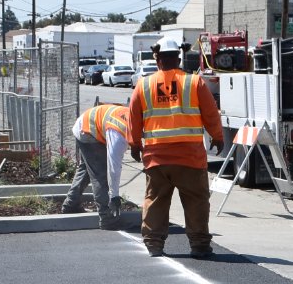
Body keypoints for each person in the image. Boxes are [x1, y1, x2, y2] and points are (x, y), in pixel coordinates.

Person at [127, 34, 223, 258]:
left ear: (157, 58)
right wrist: (218, 136)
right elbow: (210, 113)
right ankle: (199, 245)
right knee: (196, 201)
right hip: (190, 158)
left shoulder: (144, 84)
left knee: (156, 200)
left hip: (157, 157)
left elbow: (133, 117)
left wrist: (134, 143)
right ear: (178, 58)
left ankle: (154, 244)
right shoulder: (193, 82)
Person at [63, 100, 129, 229]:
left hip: (89, 124)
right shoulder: (118, 135)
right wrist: (114, 196)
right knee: (100, 174)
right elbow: (113, 168)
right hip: (87, 131)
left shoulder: (131, 118)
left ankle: (70, 204)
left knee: (87, 169)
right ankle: (106, 218)